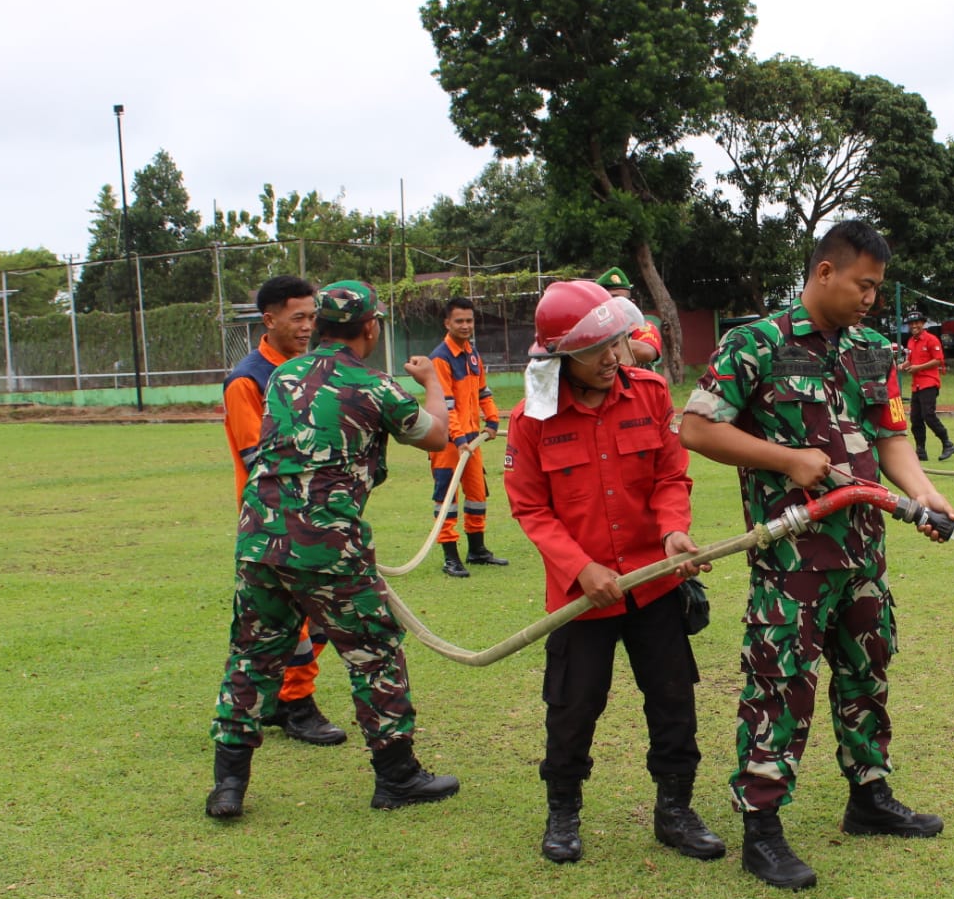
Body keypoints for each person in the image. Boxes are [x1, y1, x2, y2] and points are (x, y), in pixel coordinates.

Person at [679, 220, 954, 891]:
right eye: (863, 284)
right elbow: (695, 427)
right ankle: (763, 829)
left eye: (877, 287)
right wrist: (788, 461)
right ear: (825, 272)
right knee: (781, 687)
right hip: (791, 561)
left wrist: (925, 495)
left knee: (867, 674)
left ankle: (869, 796)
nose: (870, 297)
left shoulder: (873, 349)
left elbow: (892, 437)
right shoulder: (755, 343)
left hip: (862, 553)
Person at [205, 280, 460, 819]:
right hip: (326, 544)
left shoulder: (281, 376)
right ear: (370, 327)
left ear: (318, 323)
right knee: (374, 652)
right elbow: (436, 436)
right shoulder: (374, 386)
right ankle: (397, 777)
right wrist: (433, 381)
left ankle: (228, 786)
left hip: (260, 538)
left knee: (251, 657)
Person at [504, 280, 725, 865]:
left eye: (617, 341)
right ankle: (563, 810)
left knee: (674, 700)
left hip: (656, 581)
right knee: (573, 705)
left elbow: (670, 477)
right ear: (558, 355)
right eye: (595, 348)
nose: (613, 356)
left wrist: (674, 528)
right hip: (581, 598)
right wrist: (580, 568)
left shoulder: (649, 394)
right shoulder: (532, 417)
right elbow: (530, 507)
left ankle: (675, 810)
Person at [220, 275, 344, 746]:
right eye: (299, 317)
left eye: (313, 317)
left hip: (312, 514)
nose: (308, 326)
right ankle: (296, 704)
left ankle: (278, 700)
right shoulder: (247, 380)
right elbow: (261, 459)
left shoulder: (308, 368)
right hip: (273, 521)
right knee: (297, 618)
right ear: (269, 320)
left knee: (309, 619)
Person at [428, 296, 508, 577]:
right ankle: (451, 557)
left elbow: (483, 392)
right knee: (447, 498)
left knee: (477, 494)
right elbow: (445, 403)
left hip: (472, 439)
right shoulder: (440, 358)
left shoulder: (472, 353)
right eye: (459, 321)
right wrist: (459, 438)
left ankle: (477, 550)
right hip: (449, 443)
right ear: (447, 322)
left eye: (469, 320)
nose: (465, 325)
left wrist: (493, 419)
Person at [901, 310, 954, 462]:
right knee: (915, 418)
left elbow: (938, 360)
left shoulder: (931, 339)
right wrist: (900, 366)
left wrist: (917, 368)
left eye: (917, 323)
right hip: (916, 385)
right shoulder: (911, 341)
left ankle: (947, 443)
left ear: (923, 323)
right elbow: (910, 360)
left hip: (929, 382)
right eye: (911, 323)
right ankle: (921, 450)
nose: (914, 326)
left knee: (928, 415)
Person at [596, 266, 663, 366]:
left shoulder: (643, 326)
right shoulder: (589, 327)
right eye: (608, 299)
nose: (614, 304)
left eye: (621, 300)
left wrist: (592, 348)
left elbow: (646, 352)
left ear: (631, 303)